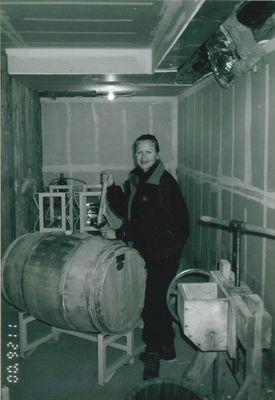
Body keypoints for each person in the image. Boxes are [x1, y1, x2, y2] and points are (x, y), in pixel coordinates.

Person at [100, 134, 189, 381]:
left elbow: (148, 224)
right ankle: (168, 348)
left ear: (157, 154)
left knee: (151, 302)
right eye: (139, 152)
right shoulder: (139, 178)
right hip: (151, 247)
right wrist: (111, 187)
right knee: (157, 299)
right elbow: (127, 208)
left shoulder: (161, 183)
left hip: (165, 248)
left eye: (148, 152)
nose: (143, 156)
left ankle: (153, 352)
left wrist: (116, 233)